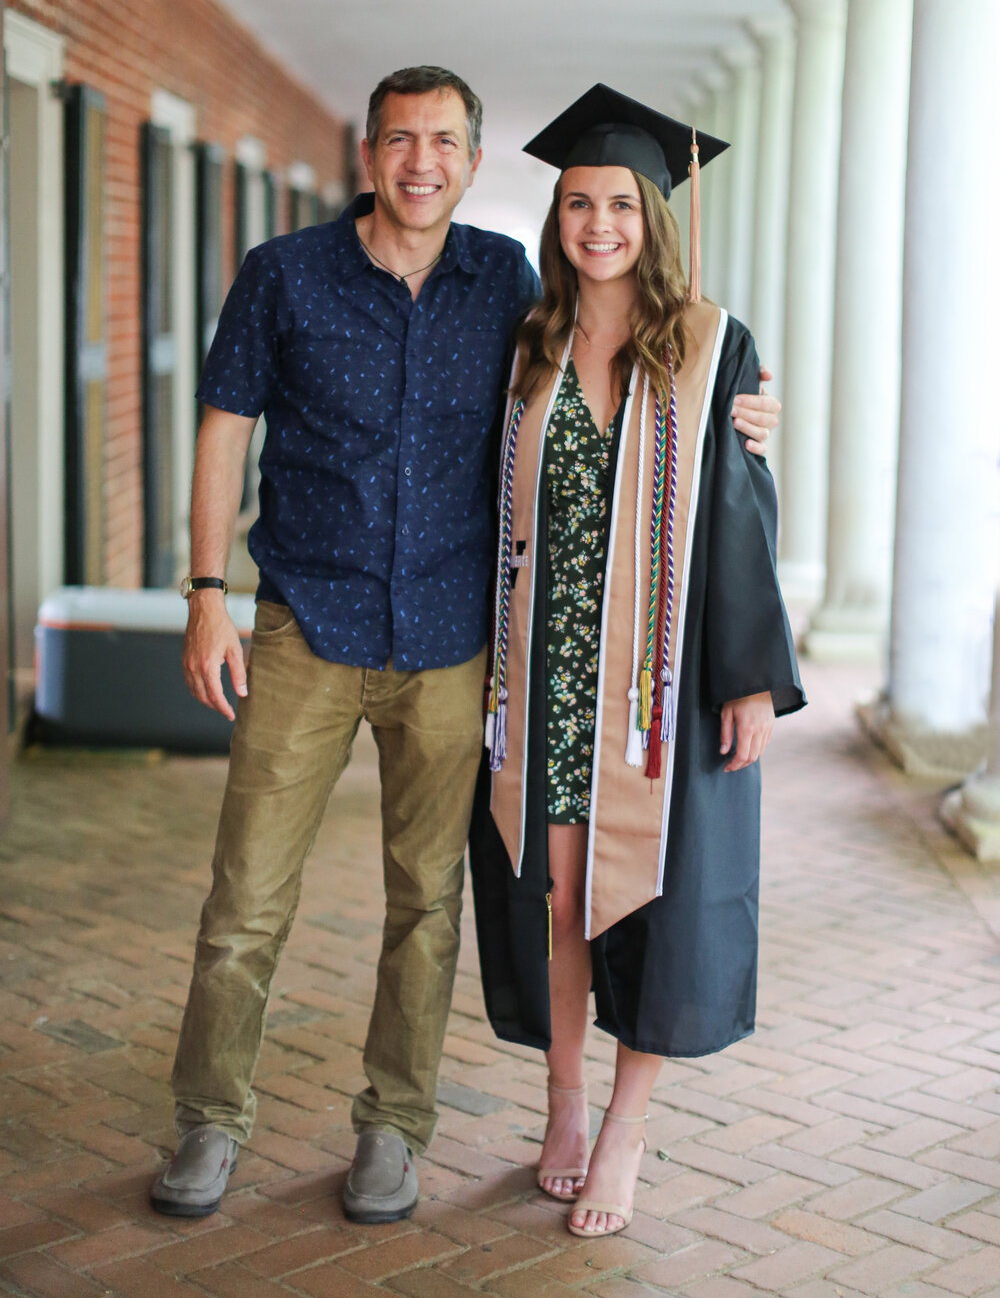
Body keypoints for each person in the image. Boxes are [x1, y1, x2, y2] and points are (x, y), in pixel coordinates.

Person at [149, 67, 783, 1226]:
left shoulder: (569, 309)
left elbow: (703, 456)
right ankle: (212, 1120)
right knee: (250, 895)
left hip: (496, 653)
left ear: (473, 163)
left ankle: (403, 1131)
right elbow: (224, 425)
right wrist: (204, 593)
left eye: (444, 140)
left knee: (430, 903)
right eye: (400, 139)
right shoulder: (325, 282)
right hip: (338, 630)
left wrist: (748, 416)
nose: (421, 161)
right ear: (368, 154)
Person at [469, 84, 805, 1238]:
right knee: (560, 895)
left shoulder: (712, 345)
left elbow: (741, 516)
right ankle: (562, 1105)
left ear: (653, 217)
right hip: (549, 670)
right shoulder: (532, 341)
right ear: (555, 218)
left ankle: (624, 1129)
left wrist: (750, 674)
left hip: (659, 683)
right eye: (577, 203)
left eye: (619, 203)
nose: (598, 223)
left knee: (646, 905)